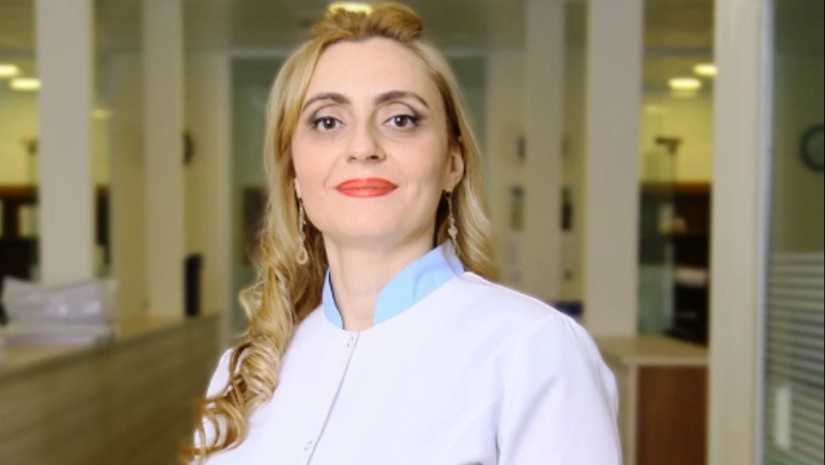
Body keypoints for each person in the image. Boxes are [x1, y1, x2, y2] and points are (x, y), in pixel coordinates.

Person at [189, 3, 621, 464]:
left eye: (401, 119)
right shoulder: (243, 374)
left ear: (453, 162)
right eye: (327, 122)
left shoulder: (533, 351)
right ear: (293, 171)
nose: (362, 147)